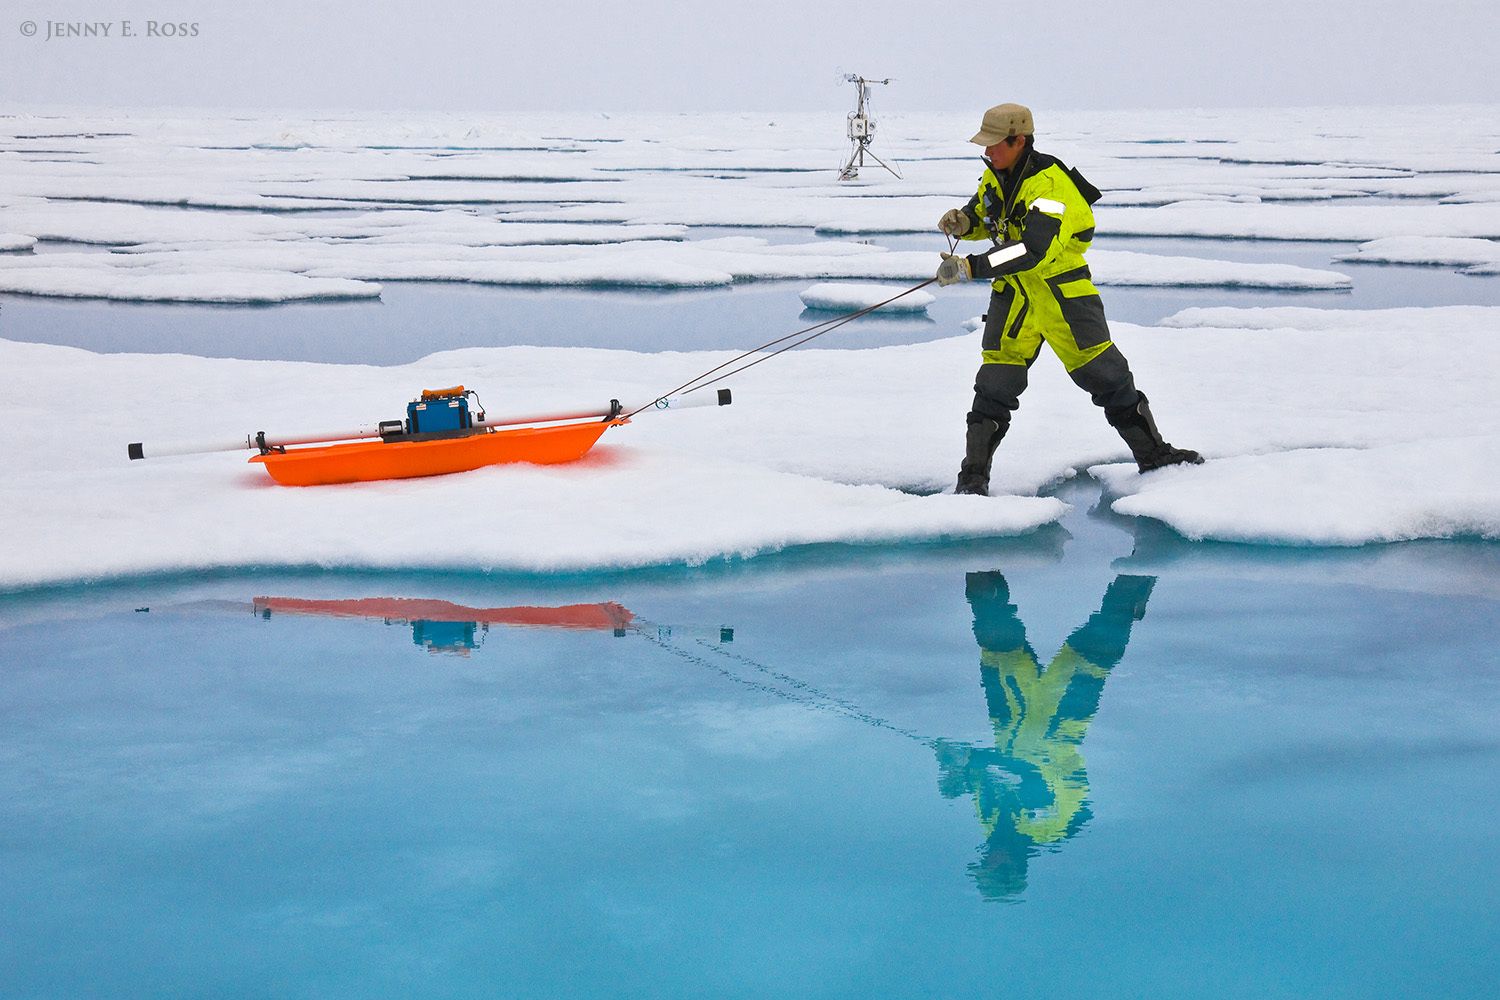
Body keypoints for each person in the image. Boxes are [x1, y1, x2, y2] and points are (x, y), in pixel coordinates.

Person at [935, 103, 1202, 495]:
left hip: (1062, 295)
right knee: (993, 385)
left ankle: (1154, 455)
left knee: (1108, 378)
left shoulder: (1052, 187)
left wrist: (969, 267)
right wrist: (964, 221)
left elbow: (1033, 248)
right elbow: (986, 213)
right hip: (1016, 296)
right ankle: (972, 479)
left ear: (1019, 140)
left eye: (994, 145)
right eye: (986, 146)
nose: (988, 152)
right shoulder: (996, 175)